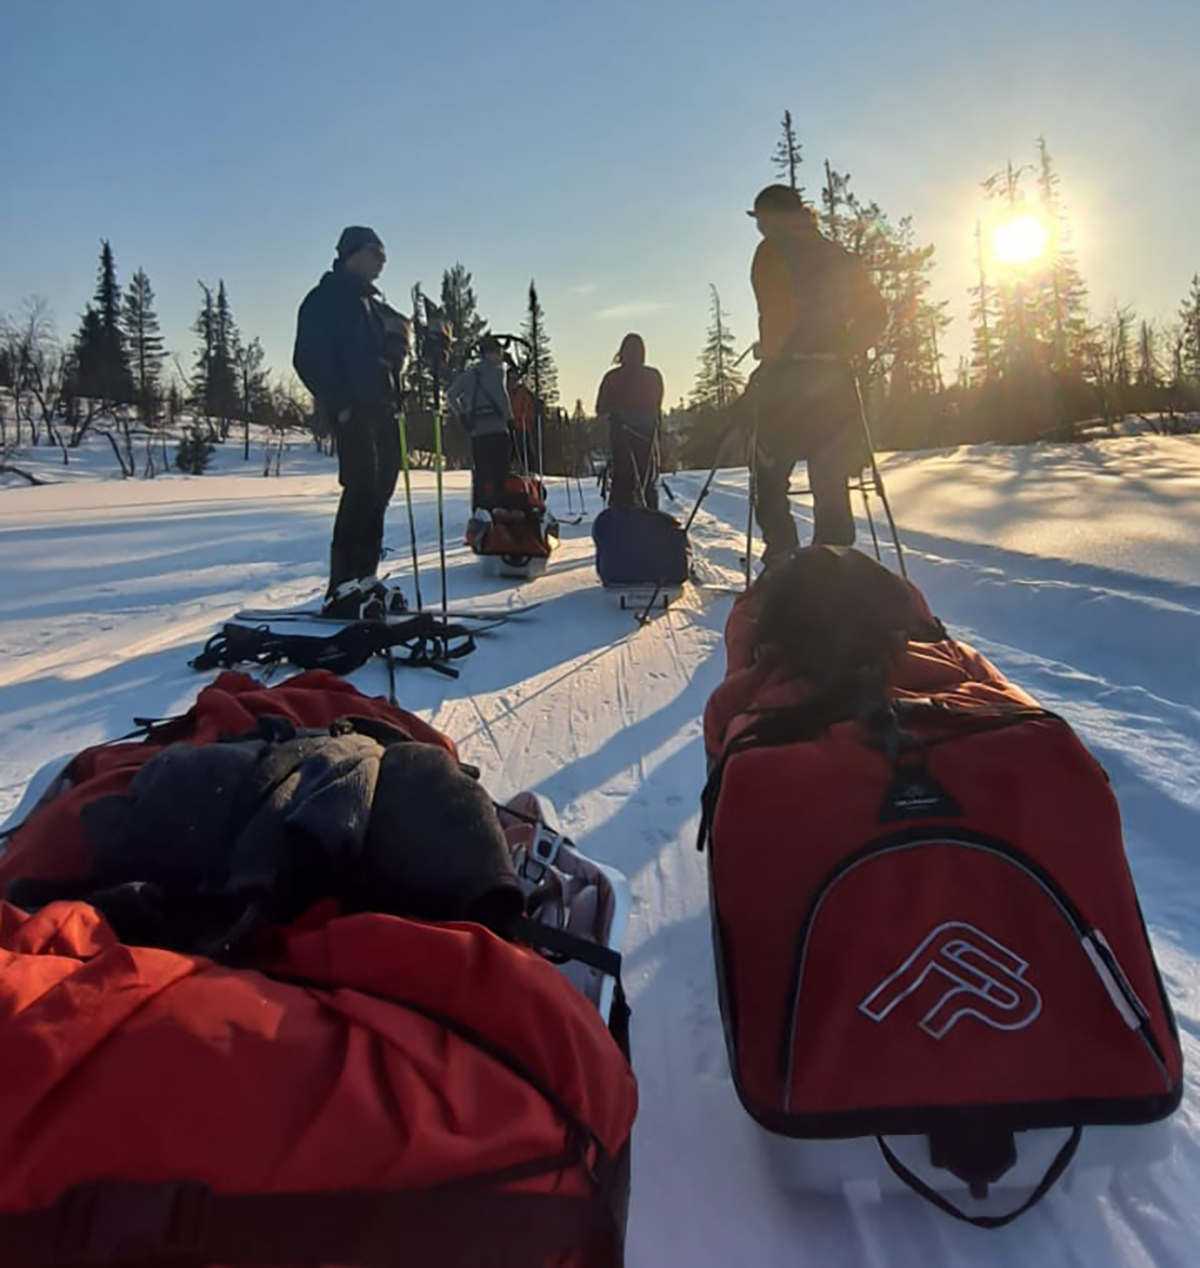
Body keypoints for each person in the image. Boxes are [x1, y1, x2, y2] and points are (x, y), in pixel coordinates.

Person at [738, 184, 886, 566]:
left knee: (769, 474)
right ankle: (832, 562)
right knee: (830, 475)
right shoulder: (839, 256)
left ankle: (782, 554)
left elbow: (779, 310)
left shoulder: (769, 253)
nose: (760, 229)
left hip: (786, 382)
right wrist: (844, 347)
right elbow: (877, 314)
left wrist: (774, 351)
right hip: (835, 382)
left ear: (773, 218)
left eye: (761, 220)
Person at [293, 225, 411, 618]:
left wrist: (399, 348)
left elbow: (388, 360)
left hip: (384, 410)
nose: (381, 264)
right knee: (360, 488)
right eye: (376, 255)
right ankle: (341, 585)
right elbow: (308, 356)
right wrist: (338, 402)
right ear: (353, 254)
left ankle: (365, 577)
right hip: (354, 409)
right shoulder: (324, 299)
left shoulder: (376, 308)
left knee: (381, 491)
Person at [447, 334, 515, 535]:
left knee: (482, 474)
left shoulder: (470, 375)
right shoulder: (497, 372)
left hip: (478, 433)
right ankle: (500, 514)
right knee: (500, 474)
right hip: (498, 431)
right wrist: (510, 419)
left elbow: (451, 395)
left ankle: (480, 515)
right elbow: (502, 399)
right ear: (492, 353)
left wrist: (462, 416)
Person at [595, 333, 664, 511]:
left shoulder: (613, 377)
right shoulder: (653, 376)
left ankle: (620, 517)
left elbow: (600, 408)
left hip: (622, 433)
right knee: (647, 478)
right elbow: (657, 403)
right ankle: (650, 517)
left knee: (623, 478)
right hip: (647, 433)